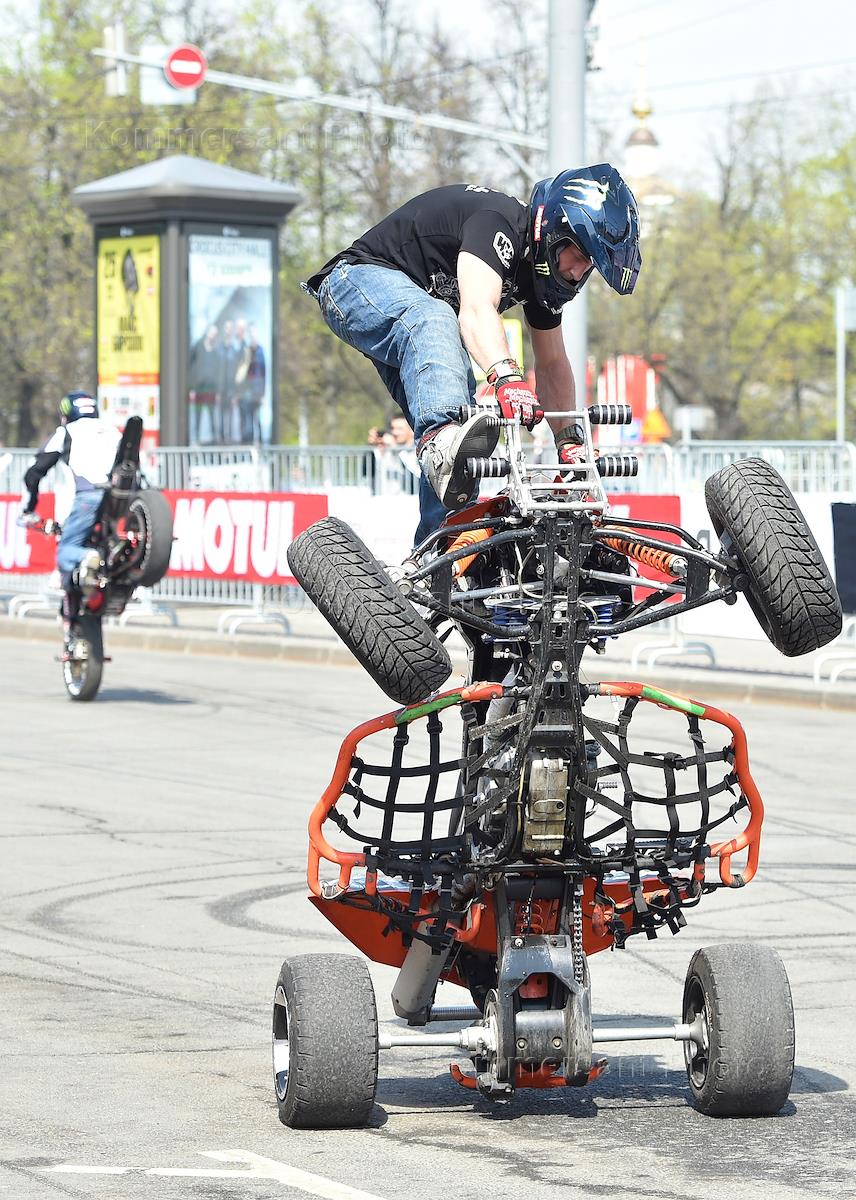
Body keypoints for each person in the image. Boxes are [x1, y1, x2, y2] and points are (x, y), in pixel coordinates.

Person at [304, 165, 641, 544]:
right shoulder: (498, 223)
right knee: (436, 323)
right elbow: (477, 310)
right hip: (354, 281)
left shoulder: (542, 278)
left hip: (417, 322)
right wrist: (508, 378)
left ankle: (444, 551)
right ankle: (442, 447)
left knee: (460, 416)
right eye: (577, 255)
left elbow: (551, 364)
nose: (578, 273)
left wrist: (570, 443)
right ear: (552, 233)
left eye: (588, 264)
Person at [18, 391, 121, 590]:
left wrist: (28, 509)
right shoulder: (113, 431)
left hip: (86, 498)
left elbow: (34, 472)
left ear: (66, 414)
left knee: (65, 552)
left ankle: (87, 556)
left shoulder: (66, 432)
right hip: (118, 499)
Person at [188, 323, 221, 444]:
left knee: (212, 415)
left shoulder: (216, 351)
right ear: (207, 332)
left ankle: (213, 439)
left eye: (215, 334)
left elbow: (217, 371)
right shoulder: (198, 346)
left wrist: (217, 392)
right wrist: (191, 388)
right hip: (199, 388)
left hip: (211, 389)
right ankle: (196, 438)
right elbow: (190, 367)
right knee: (198, 414)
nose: (213, 336)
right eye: (211, 333)